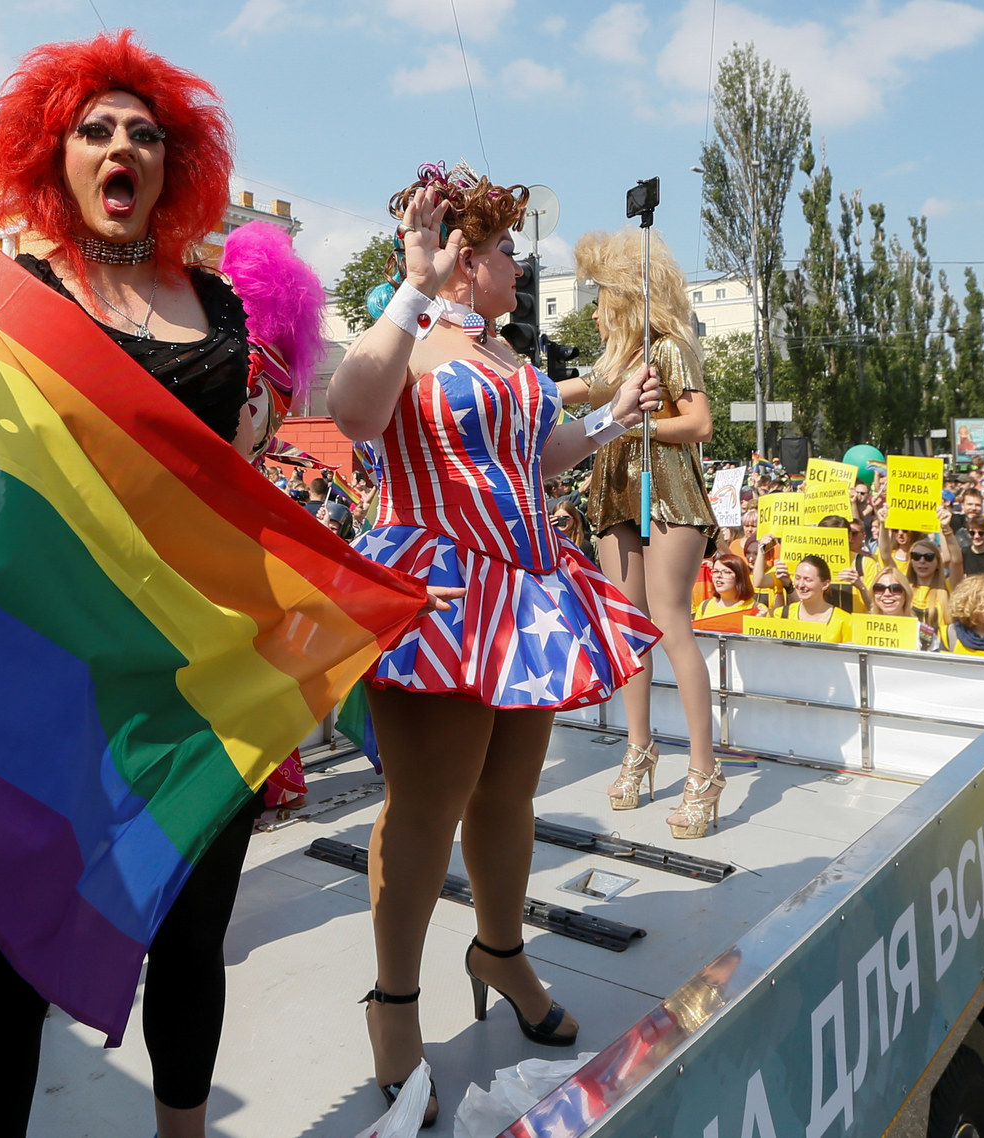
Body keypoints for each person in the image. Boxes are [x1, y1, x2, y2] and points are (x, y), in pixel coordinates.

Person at [0, 33, 340, 1138]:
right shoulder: (7, 297)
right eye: (96, 130)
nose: (123, 148)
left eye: (145, 134)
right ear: (53, 156)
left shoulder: (223, 310)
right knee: (16, 958)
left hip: (200, 682)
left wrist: (353, 591)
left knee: (194, 941)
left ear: (175, 164)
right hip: (42, 681)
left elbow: (252, 490)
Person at [327, 161, 662, 1123]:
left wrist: (606, 419)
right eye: (508, 249)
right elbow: (353, 415)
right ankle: (394, 1002)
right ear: (468, 260)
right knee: (425, 811)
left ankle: (500, 951)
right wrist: (413, 281)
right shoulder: (412, 332)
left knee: (509, 793)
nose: (521, 262)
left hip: (526, 591)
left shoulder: (510, 357)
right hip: (436, 592)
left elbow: (535, 455)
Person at [563, 228, 722, 842]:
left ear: (625, 303)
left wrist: (630, 429)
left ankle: (704, 774)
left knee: (671, 622)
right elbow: (566, 400)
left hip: (670, 490)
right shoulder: (609, 366)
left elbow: (701, 423)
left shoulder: (668, 350)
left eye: (602, 301)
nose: (595, 312)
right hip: (615, 489)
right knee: (628, 628)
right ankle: (639, 751)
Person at [778, 555, 852, 642]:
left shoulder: (845, 621)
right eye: (797, 578)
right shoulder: (782, 614)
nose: (801, 585)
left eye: (808, 580)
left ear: (825, 584)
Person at [865, 566, 939, 650]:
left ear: (906, 594)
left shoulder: (924, 633)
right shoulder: (863, 630)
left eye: (895, 589)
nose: (887, 594)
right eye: (879, 588)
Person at [692, 552, 764, 629]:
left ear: (740, 577)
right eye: (715, 571)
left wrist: (759, 623)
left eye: (726, 572)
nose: (719, 576)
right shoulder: (704, 606)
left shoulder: (757, 609)